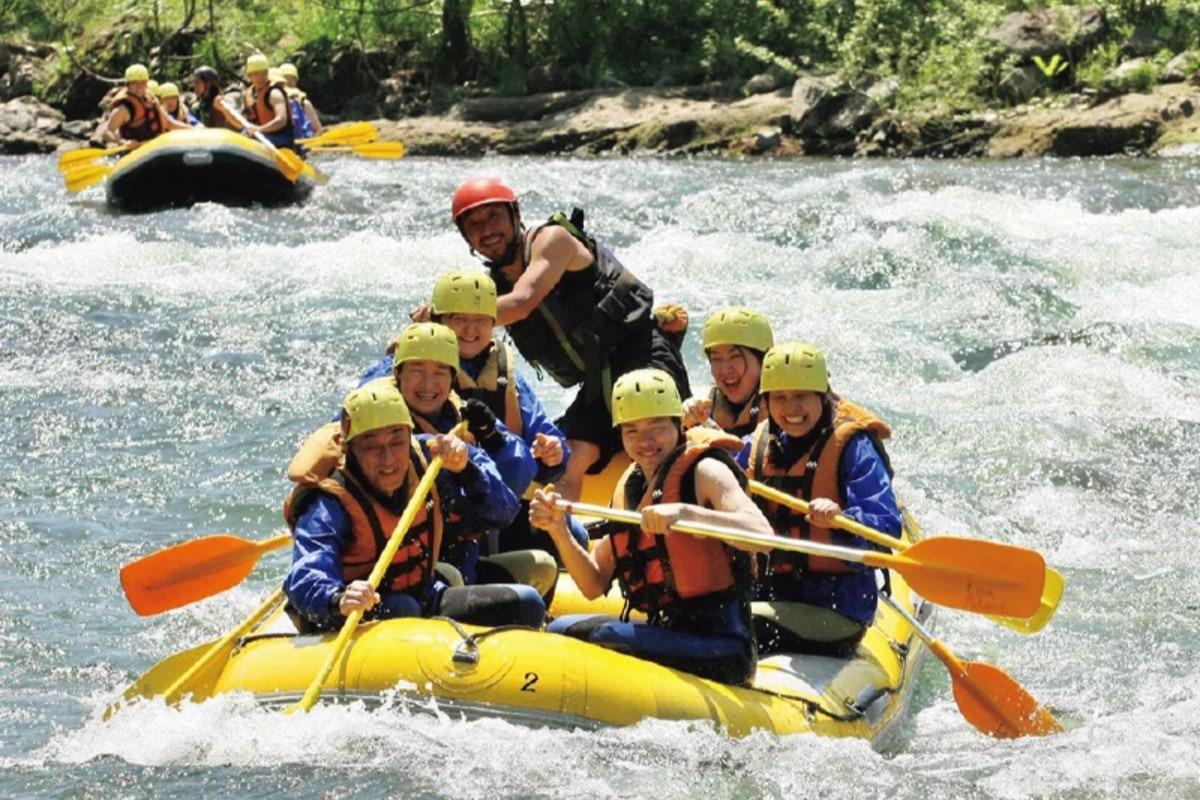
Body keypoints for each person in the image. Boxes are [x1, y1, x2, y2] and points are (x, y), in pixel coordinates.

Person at [446, 178, 692, 503]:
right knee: (569, 458)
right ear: (467, 237)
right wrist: (423, 342)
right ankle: (567, 540)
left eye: (494, 217)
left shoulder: (552, 240)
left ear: (515, 214)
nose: (487, 229)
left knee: (656, 436)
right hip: (597, 383)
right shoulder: (492, 290)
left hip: (643, 355)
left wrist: (446, 316)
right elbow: (470, 341)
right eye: (474, 224)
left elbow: (523, 302)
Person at [530, 369, 769, 686]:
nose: (644, 442)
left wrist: (687, 512)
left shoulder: (705, 471)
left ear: (677, 424)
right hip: (667, 629)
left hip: (723, 643)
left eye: (656, 428)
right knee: (561, 629)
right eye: (632, 431)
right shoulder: (629, 486)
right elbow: (592, 584)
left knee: (594, 638)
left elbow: (762, 536)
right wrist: (558, 530)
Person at [283, 379, 544, 632]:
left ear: (409, 436)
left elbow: (503, 513)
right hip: (356, 616)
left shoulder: (431, 459)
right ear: (349, 448)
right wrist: (337, 598)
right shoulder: (330, 502)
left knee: (527, 604)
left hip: (423, 595)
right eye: (371, 446)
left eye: (397, 442)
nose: (388, 459)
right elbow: (306, 573)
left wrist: (466, 471)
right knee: (402, 608)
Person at [738, 342, 899, 657]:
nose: (791, 409)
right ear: (767, 403)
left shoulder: (854, 447)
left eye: (801, 396)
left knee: (737, 623)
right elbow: (710, 459)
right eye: (780, 398)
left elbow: (886, 528)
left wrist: (844, 520)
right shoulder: (761, 444)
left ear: (823, 396)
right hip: (771, 595)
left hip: (836, 610)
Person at [428, 270, 589, 561]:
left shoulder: (503, 372)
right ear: (438, 321)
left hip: (502, 497)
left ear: (493, 323)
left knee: (575, 535)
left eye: (479, 320)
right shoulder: (415, 368)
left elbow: (546, 436)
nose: (469, 330)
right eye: (458, 319)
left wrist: (553, 453)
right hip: (449, 503)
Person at [681, 308, 774, 436]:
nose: (724, 369)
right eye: (716, 359)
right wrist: (690, 420)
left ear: (763, 360)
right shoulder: (713, 403)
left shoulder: (778, 407)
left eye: (735, 356)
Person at [100, 64, 187, 147]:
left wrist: (193, 130)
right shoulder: (123, 109)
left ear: (146, 83)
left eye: (142, 83)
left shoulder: (151, 99)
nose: (139, 87)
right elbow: (106, 132)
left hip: (155, 147)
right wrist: (123, 142)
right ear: (128, 85)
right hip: (135, 153)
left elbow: (168, 123)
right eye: (134, 83)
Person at [241, 53, 295, 149]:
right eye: (256, 73)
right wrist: (224, 110)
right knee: (243, 135)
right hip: (260, 136)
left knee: (253, 142)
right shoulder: (249, 95)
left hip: (280, 138)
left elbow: (281, 120)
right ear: (249, 76)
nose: (261, 77)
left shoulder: (274, 93)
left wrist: (259, 129)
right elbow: (240, 122)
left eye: (264, 73)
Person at [278, 62, 323, 138]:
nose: (289, 82)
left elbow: (318, 129)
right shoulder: (276, 100)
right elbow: (318, 129)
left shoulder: (304, 103)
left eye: (292, 79)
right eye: (286, 78)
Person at [190, 65, 239, 130]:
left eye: (197, 83)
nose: (194, 86)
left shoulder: (223, 102)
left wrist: (224, 110)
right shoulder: (198, 107)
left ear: (208, 84)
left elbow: (239, 124)